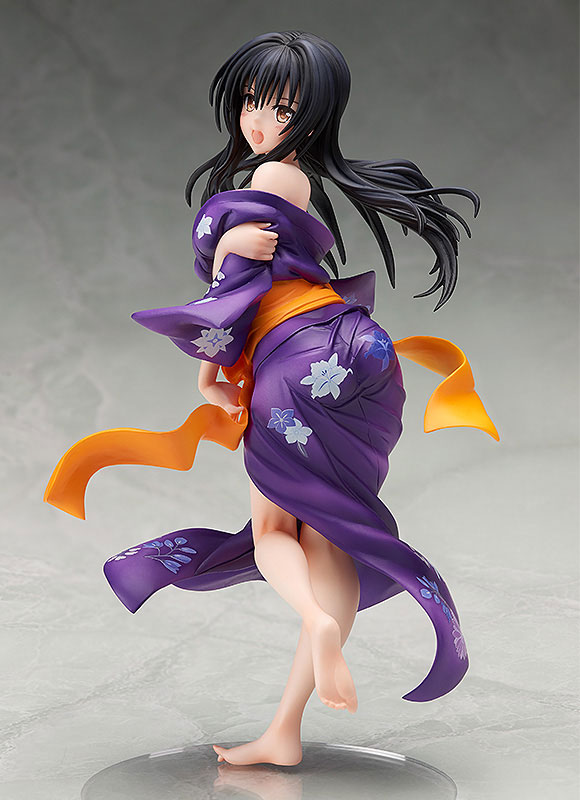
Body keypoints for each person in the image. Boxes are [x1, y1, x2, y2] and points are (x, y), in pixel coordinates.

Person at [44, 31, 498, 767]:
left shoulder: (270, 178)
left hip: (302, 357)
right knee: (330, 535)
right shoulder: (294, 182)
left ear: (313, 119)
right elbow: (269, 271)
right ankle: (284, 730)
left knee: (271, 532)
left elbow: (237, 288)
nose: (258, 120)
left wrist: (210, 351)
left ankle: (316, 620)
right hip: (359, 353)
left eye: (281, 108)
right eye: (252, 101)